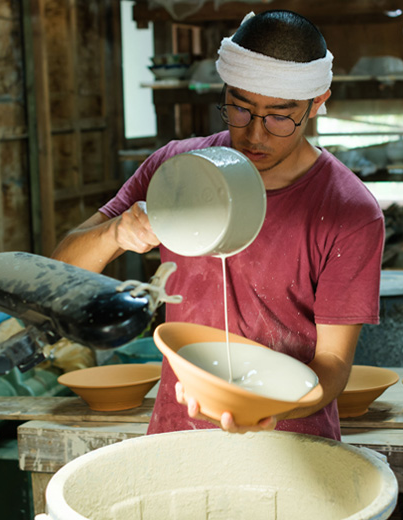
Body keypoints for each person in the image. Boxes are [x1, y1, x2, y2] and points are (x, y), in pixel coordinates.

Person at [52, 10, 384, 441]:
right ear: (225, 89)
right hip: (177, 433)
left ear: (318, 103)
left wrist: (263, 408)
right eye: (239, 108)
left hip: (293, 441)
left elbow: (333, 367)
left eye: (279, 117)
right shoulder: (177, 169)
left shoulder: (349, 211)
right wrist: (116, 233)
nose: (255, 135)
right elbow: (59, 269)